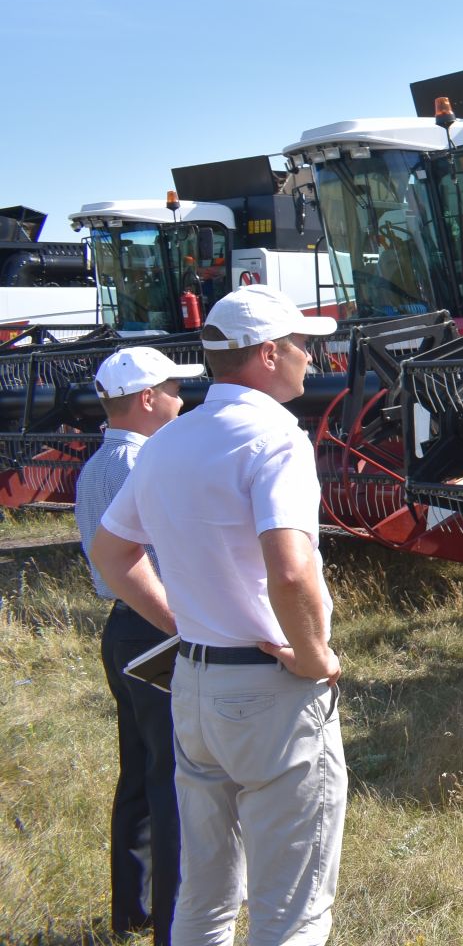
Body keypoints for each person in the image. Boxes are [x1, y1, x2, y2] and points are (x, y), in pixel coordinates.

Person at [91, 285, 344, 946]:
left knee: (204, 896)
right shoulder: (276, 441)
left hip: (195, 689)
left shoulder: (170, 442)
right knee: (291, 909)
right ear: (268, 354)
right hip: (269, 690)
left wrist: (183, 623)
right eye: (302, 346)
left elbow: (112, 553)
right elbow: (289, 570)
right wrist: (315, 657)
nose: (311, 360)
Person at [75, 346, 205, 945]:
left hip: (121, 627)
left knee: (139, 773)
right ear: (148, 398)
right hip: (155, 625)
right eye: (175, 390)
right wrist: (179, 622)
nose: (183, 401)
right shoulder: (144, 466)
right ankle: (177, 922)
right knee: (173, 777)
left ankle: (135, 907)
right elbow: (142, 557)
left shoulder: (99, 462)